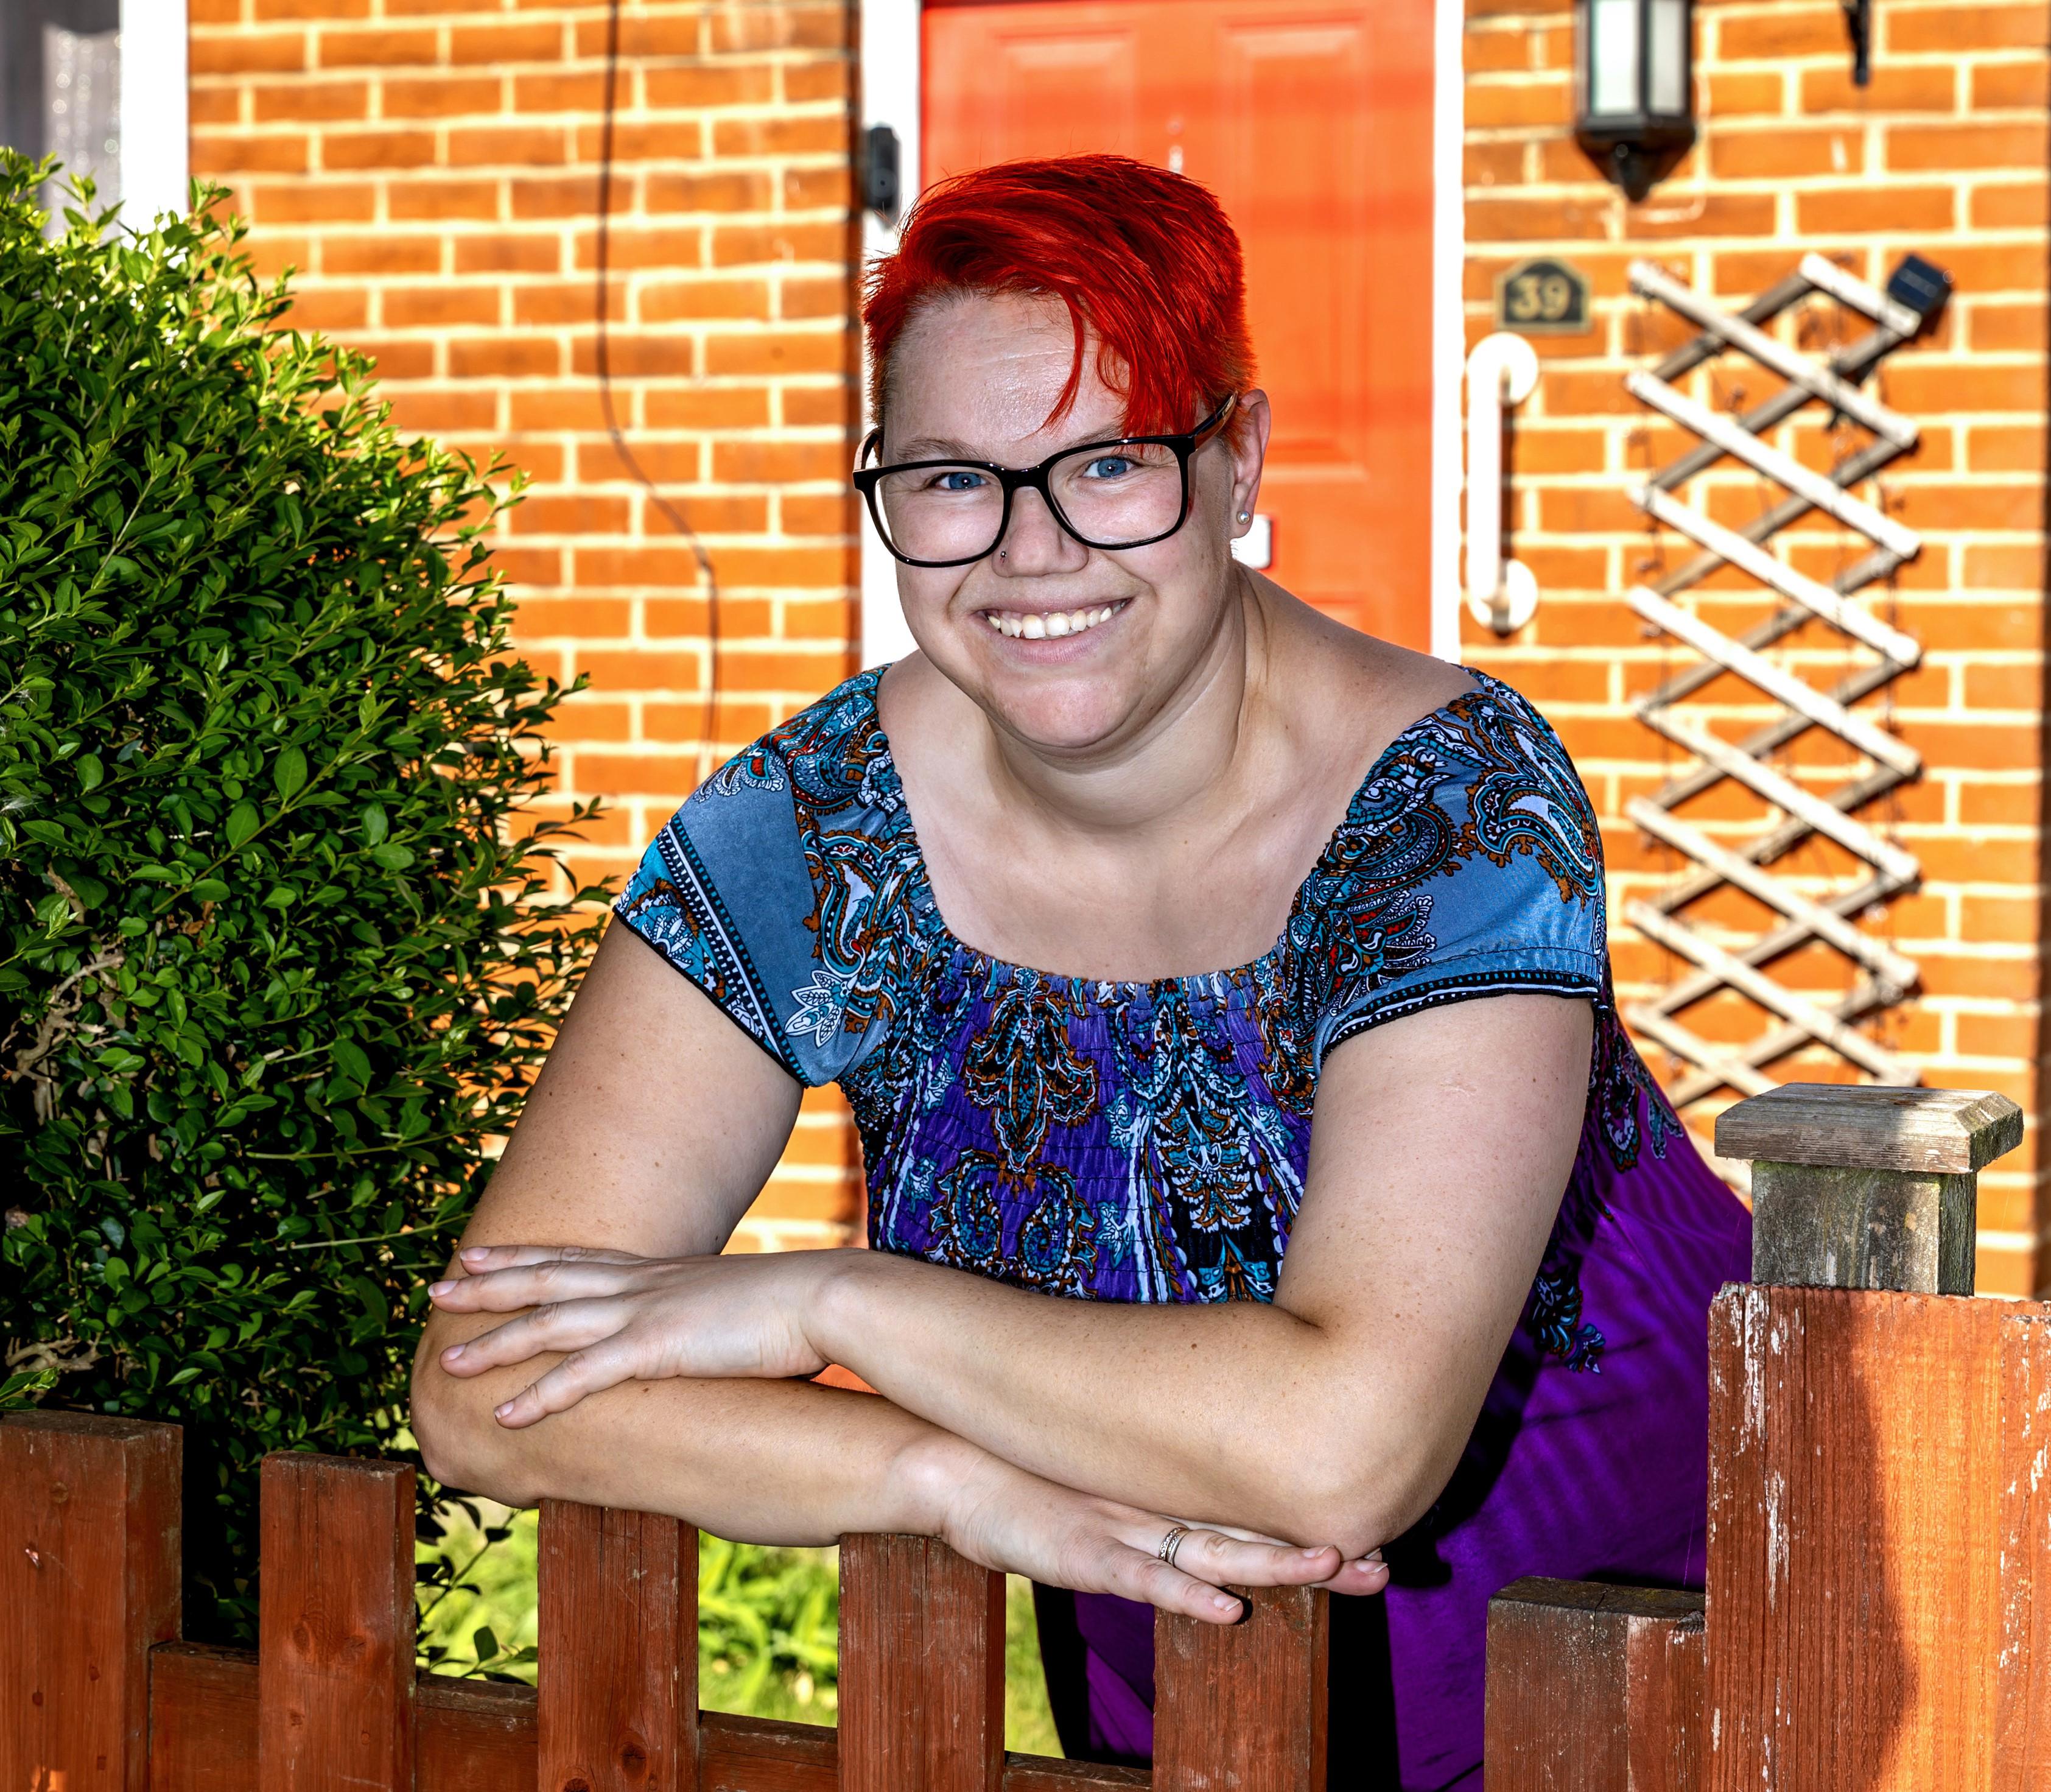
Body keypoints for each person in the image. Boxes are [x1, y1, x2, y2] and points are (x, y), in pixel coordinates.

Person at [410, 154, 1752, 1787]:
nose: (1030, 553)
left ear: (1236, 454)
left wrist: (832, 1301)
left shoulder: (1449, 803)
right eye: (954, 480)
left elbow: (1344, 1452)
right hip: (1176, 1684)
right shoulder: (814, 832)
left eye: (1108, 465)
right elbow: (490, 1393)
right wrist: (937, 1478)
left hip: (1633, 1670)